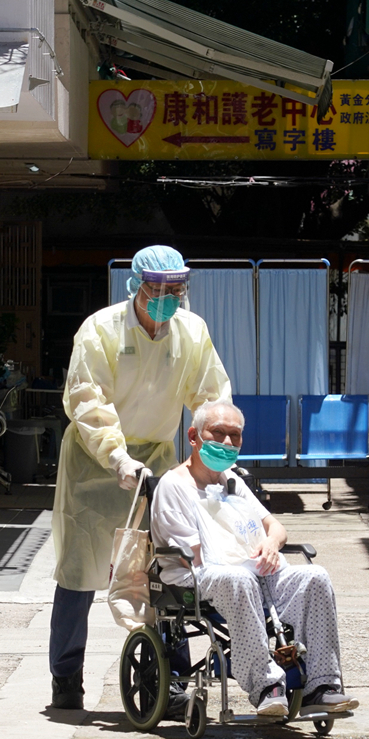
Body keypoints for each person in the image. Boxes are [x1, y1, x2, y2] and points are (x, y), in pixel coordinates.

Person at [49, 246, 231, 709]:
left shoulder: (191, 332)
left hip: (157, 461)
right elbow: (87, 400)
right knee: (79, 571)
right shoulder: (101, 329)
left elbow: (211, 396)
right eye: (157, 289)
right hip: (94, 464)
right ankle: (66, 678)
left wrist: (219, 448)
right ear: (136, 285)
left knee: (164, 572)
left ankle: (167, 680)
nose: (167, 298)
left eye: (176, 290)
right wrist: (116, 456)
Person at [151, 399, 358, 717]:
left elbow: (275, 527)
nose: (227, 442)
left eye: (235, 435)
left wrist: (271, 544)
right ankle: (266, 686)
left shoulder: (232, 481)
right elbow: (193, 557)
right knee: (239, 578)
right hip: (197, 576)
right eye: (217, 432)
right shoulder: (174, 486)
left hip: (252, 571)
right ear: (194, 436)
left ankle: (321, 686)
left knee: (315, 577)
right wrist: (241, 561)